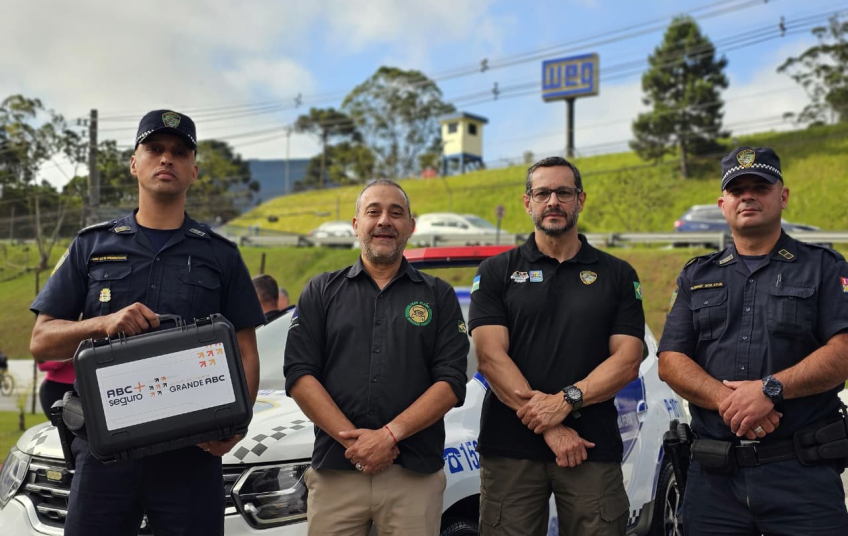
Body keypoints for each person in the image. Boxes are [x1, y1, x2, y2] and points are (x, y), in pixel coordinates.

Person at [29, 109, 266, 536]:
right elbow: (42, 342)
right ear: (134, 163)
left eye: (179, 152)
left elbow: (246, 352)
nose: (166, 160)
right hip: (105, 457)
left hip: (190, 458)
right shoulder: (91, 246)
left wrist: (236, 426)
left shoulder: (221, 255)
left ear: (193, 170)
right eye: (154, 149)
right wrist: (102, 324)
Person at [658, 146, 848, 536]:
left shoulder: (825, 268)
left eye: (759, 186)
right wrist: (732, 402)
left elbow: (843, 351)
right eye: (737, 188)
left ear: (783, 196)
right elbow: (671, 359)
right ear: (722, 203)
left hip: (802, 477)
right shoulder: (696, 275)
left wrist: (770, 390)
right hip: (714, 483)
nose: (748, 195)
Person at [468, 156, 644, 536]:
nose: (553, 201)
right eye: (542, 192)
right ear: (526, 202)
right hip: (509, 449)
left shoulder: (617, 274)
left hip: (591, 445)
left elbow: (628, 360)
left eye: (563, 193)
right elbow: (489, 357)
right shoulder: (496, 271)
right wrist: (550, 426)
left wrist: (565, 402)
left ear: (580, 200)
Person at [284, 179, 469, 536]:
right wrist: (354, 443)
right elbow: (299, 373)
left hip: (414, 476)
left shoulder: (438, 296)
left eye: (396, 213)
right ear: (356, 225)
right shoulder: (321, 291)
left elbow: (450, 381)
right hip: (337, 471)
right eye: (374, 212)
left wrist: (388, 437)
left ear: (411, 228)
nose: (385, 221)